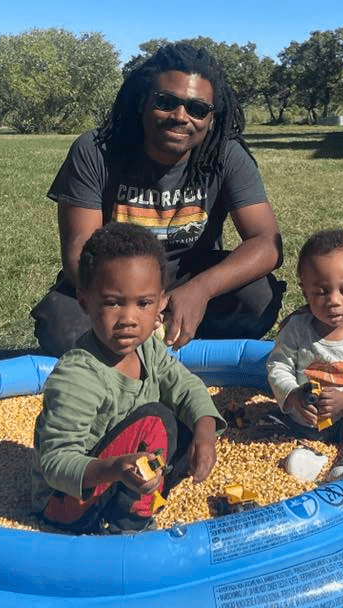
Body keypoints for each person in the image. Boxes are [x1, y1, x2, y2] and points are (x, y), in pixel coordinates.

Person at [31, 41, 285, 356]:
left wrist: (201, 290)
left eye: (197, 109)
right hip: (112, 281)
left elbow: (267, 243)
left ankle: (182, 343)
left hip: (190, 275)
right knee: (62, 327)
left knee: (257, 298)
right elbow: (78, 254)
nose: (180, 116)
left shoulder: (225, 155)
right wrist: (138, 305)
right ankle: (154, 344)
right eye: (166, 102)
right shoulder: (95, 151)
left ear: (211, 119)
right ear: (142, 102)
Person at [31, 222, 226, 533]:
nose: (129, 319)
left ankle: (139, 497)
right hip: (67, 502)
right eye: (113, 303)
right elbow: (55, 462)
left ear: (161, 304)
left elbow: (186, 387)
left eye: (143, 304)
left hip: (124, 472)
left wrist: (205, 432)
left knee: (189, 417)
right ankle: (125, 525)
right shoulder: (78, 376)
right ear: (85, 302)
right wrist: (116, 468)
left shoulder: (148, 349)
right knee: (158, 418)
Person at [267, 229, 343, 478]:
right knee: (265, 421)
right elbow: (277, 366)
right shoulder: (297, 330)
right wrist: (292, 395)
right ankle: (302, 458)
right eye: (322, 292)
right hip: (303, 416)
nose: (334, 300)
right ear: (305, 292)